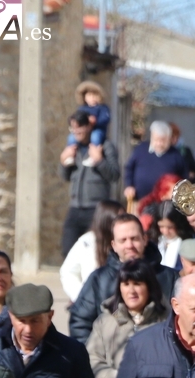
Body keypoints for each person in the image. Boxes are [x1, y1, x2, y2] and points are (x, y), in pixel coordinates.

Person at [71, 213, 178, 342]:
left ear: (144, 239)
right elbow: (80, 323)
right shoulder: (99, 280)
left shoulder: (170, 277)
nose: (129, 245)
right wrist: (96, 352)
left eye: (134, 239)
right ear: (114, 245)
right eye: (123, 240)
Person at [60, 110, 119, 257]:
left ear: (88, 126)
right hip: (75, 207)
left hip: (96, 209)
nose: (76, 131)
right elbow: (66, 177)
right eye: (73, 128)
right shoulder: (73, 148)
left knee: (94, 252)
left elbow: (114, 175)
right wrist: (63, 161)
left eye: (79, 127)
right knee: (67, 250)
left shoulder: (105, 146)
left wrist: (99, 161)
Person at [61, 200, 123, 304]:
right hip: (92, 303)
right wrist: (81, 296)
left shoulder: (125, 242)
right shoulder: (87, 242)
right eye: (119, 220)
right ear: (106, 220)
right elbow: (68, 272)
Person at [124, 121, 191, 206]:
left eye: (163, 140)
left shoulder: (176, 155)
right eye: (156, 140)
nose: (159, 144)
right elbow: (129, 168)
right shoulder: (140, 149)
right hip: (139, 200)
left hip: (165, 204)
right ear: (152, 137)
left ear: (169, 139)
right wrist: (129, 185)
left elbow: (184, 178)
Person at [68, 80, 111, 147]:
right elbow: (77, 118)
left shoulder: (102, 108)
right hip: (83, 131)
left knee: (95, 137)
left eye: (94, 95)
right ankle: (71, 150)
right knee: (71, 138)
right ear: (84, 97)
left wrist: (95, 121)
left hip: (97, 129)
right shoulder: (82, 108)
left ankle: (94, 150)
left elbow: (105, 118)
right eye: (89, 95)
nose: (92, 98)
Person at [157, 201, 193, 270]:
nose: (165, 232)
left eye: (170, 227)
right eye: (161, 226)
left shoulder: (188, 244)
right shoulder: (155, 242)